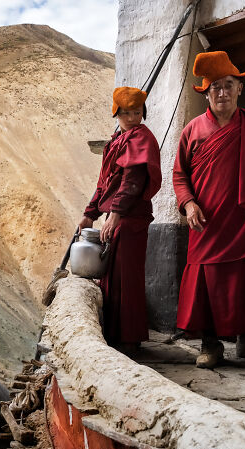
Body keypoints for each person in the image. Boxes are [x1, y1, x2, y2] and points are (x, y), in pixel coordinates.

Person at [173, 51, 245, 369]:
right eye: (215, 88)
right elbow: (180, 175)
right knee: (206, 283)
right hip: (207, 223)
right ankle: (210, 345)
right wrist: (188, 202)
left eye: (228, 86)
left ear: (239, 89)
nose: (222, 93)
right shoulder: (192, 131)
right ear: (206, 93)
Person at [78, 86, 162, 349]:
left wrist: (114, 215)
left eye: (137, 112)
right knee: (111, 276)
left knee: (126, 277)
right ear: (116, 113)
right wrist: (89, 214)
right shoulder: (117, 139)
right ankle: (114, 335)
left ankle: (129, 339)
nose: (132, 118)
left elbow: (132, 182)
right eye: (125, 113)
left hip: (130, 220)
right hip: (117, 217)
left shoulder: (140, 138)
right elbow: (105, 182)